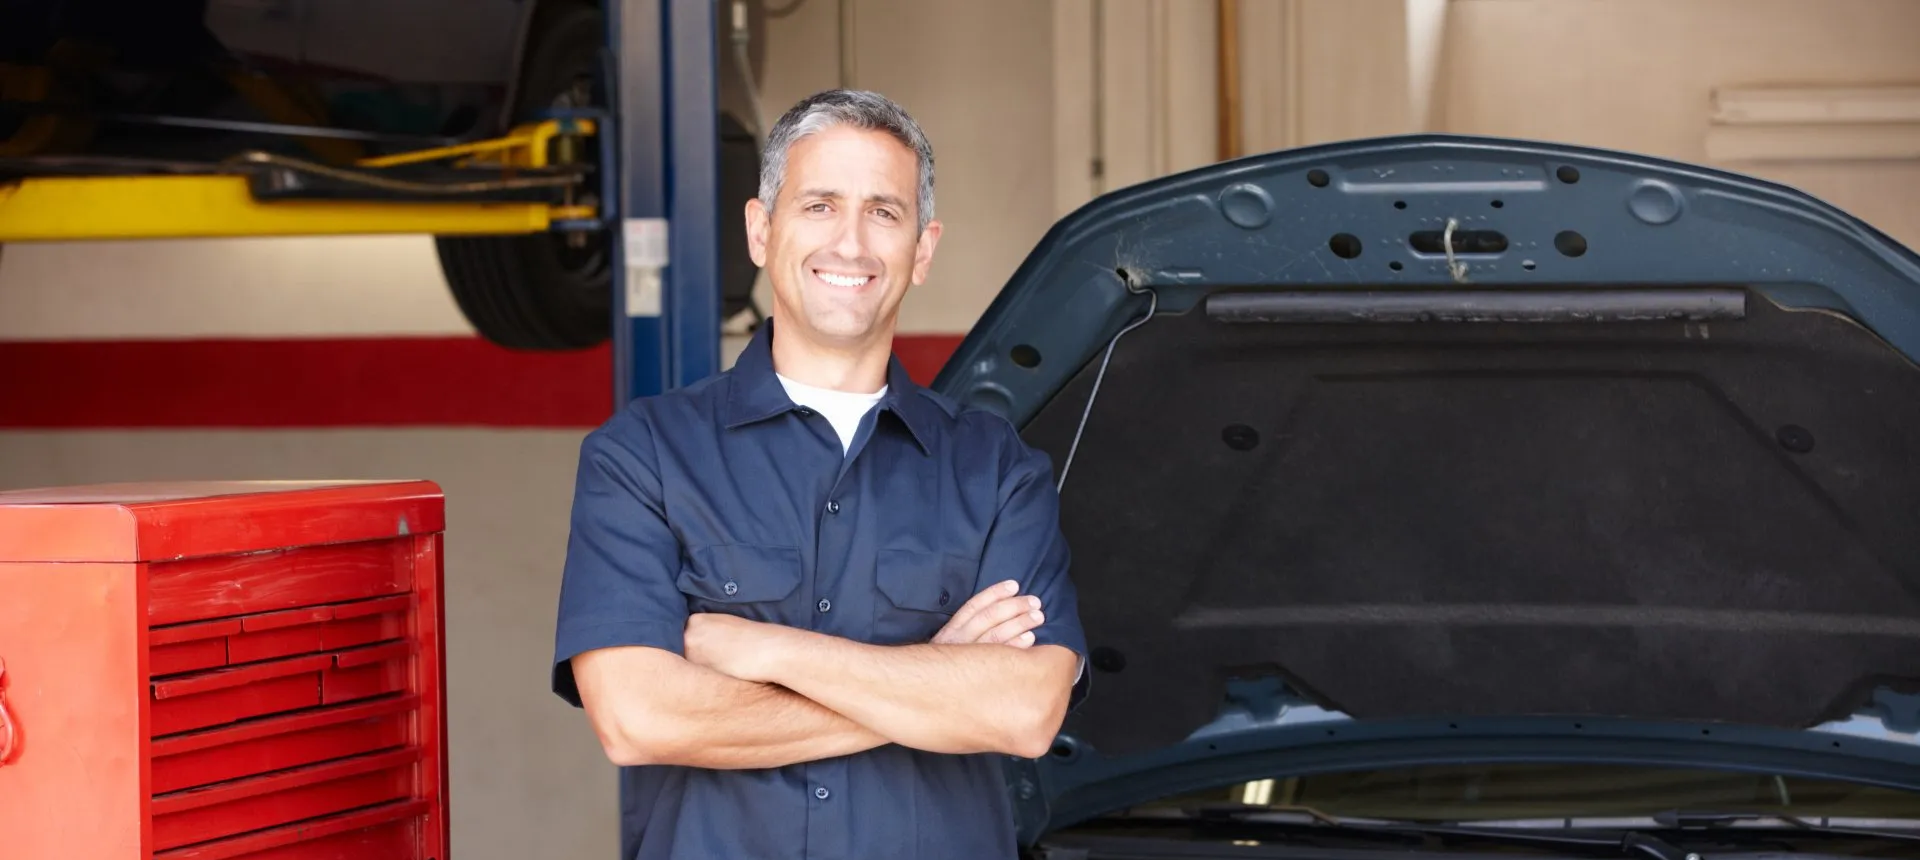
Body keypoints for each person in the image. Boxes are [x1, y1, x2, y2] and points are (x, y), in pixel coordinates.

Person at [550, 89, 1089, 860]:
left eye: (884, 212)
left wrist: (770, 654)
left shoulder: (995, 469)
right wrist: (937, 675)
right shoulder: (643, 457)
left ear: (923, 249)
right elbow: (640, 720)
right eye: (819, 205)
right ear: (761, 231)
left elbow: (1027, 713)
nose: (851, 244)